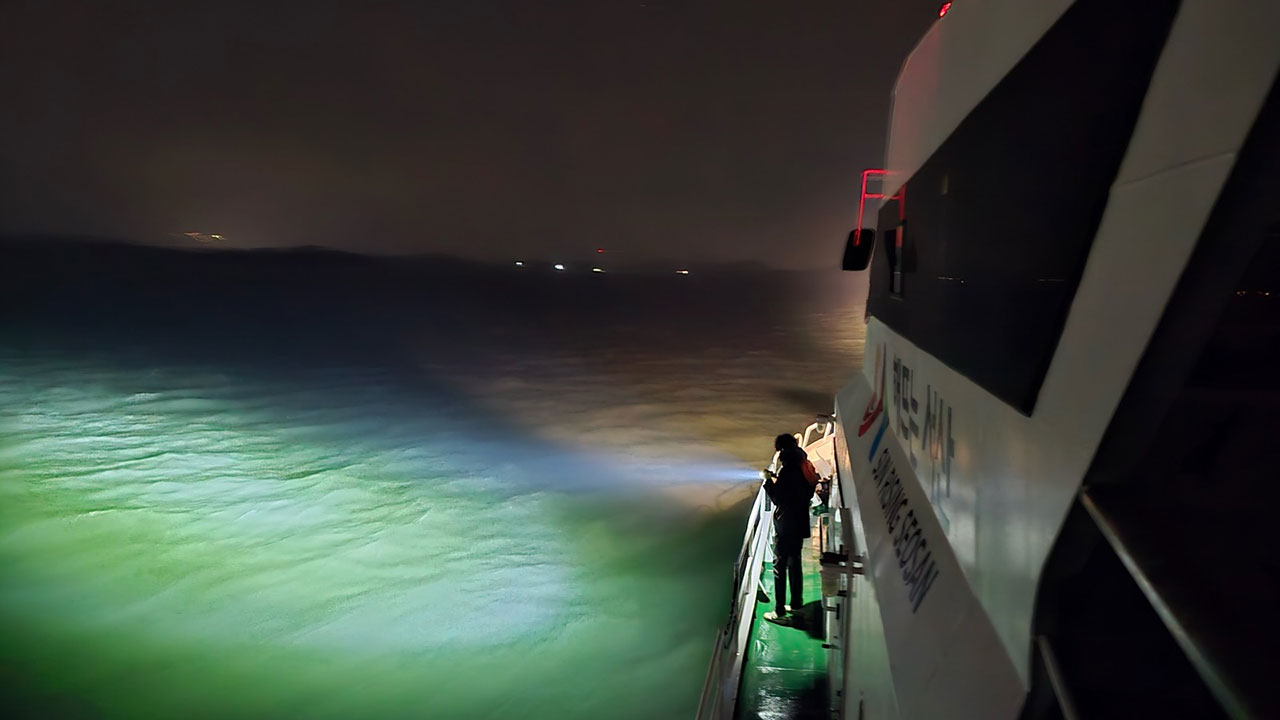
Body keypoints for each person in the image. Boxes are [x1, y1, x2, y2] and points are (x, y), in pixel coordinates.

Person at [762, 433, 814, 623]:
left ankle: (779, 611)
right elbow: (805, 491)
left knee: (779, 566)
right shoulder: (802, 464)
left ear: (781, 450)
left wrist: (768, 481)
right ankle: (796, 603)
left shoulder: (788, 470)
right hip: (800, 522)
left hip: (785, 525)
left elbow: (778, 499)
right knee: (795, 563)